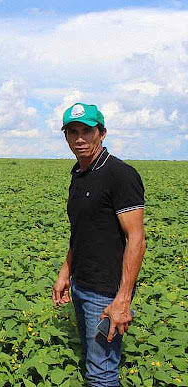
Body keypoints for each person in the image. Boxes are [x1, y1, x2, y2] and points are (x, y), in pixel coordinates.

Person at [51, 103, 146, 386]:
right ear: (66, 137)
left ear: (102, 133)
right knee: (92, 362)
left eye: (87, 131)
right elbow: (81, 231)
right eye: (73, 132)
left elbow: (136, 240)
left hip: (105, 293)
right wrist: (65, 274)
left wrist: (122, 300)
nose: (80, 138)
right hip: (81, 284)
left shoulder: (120, 175)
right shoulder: (79, 174)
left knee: (101, 373)